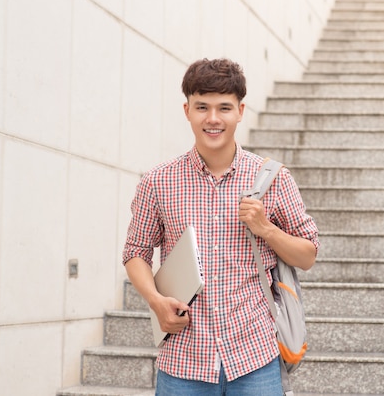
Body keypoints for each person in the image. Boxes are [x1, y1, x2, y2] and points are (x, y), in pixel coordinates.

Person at [122, 58, 319, 395]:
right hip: (183, 358)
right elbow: (135, 253)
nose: (213, 119)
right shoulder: (158, 181)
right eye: (202, 107)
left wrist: (267, 229)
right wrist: (156, 301)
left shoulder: (274, 179)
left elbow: (308, 255)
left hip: (254, 356)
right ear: (187, 110)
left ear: (240, 111)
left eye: (224, 108)